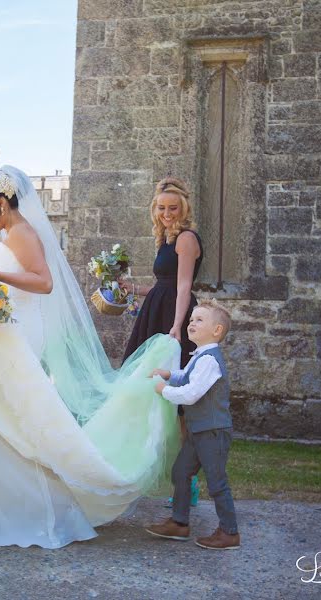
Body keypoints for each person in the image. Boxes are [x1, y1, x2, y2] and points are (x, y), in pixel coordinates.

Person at [0, 166, 182, 548]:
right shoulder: (8, 233)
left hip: (18, 335)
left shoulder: (23, 234)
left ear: (2, 202)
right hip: (1, 331)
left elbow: (43, 281)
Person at [119, 177, 203, 507]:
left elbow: (183, 288)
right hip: (157, 311)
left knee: (179, 406)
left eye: (173, 208)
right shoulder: (165, 240)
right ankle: (136, 467)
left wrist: (178, 328)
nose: (166, 213)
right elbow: (162, 285)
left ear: (183, 209)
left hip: (174, 318)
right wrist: (132, 289)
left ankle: (187, 484)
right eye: (161, 208)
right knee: (144, 388)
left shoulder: (186, 239)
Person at [148, 299, 240, 550]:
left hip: (212, 431)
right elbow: (186, 377)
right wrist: (169, 375)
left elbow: (190, 393)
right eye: (191, 320)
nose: (191, 323)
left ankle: (229, 532)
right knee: (181, 471)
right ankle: (179, 523)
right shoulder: (199, 356)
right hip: (198, 430)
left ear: (217, 331)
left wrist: (164, 390)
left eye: (199, 320)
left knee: (216, 481)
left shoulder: (210, 360)